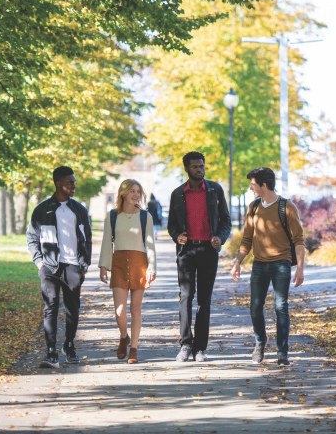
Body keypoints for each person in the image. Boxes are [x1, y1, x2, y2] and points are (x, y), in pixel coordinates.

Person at [230, 167, 306, 367]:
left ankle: (282, 352)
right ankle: (260, 341)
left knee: (281, 307)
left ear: (264, 185)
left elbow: (299, 239)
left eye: (253, 184)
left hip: (281, 264)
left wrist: (300, 268)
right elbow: (246, 238)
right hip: (259, 264)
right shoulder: (253, 207)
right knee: (255, 308)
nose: (251, 188)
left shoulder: (286, 207)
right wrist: (237, 261)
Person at [167, 151, 232, 362]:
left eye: (202, 166)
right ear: (187, 168)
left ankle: (200, 348)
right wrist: (178, 236)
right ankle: (185, 345)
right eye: (195, 166)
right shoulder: (178, 194)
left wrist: (220, 239)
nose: (200, 169)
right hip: (186, 252)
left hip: (208, 251)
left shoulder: (215, 190)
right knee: (185, 297)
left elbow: (226, 221)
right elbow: (171, 225)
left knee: (204, 300)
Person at [27, 166, 93, 368]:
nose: (74, 185)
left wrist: (84, 265)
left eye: (74, 181)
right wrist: (40, 263)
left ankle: (69, 345)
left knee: (73, 309)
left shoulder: (79, 210)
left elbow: (87, 238)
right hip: (49, 267)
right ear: (58, 183)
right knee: (51, 308)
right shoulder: (42, 209)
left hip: (73, 266)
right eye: (70, 182)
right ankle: (51, 352)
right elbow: (32, 238)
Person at [98, 179, 157, 364]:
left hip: (140, 263)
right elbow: (107, 241)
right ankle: (124, 336)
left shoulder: (145, 216)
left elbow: (150, 244)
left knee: (135, 308)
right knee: (119, 310)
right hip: (119, 263)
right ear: (123, 193)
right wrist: (103, 266)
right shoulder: (113, 216)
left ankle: (134, 348)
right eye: (132, 191)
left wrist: (152, 267)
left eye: (138, 191)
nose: (135, 194)